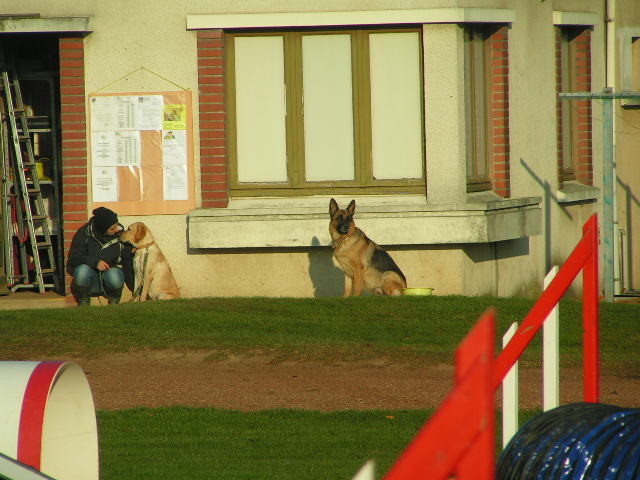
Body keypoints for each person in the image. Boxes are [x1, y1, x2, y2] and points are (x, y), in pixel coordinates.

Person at [66, 207, 134, 306]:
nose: (116, 230)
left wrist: (134, 289)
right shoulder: (84, 233)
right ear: (102, 228)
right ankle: (84, 300)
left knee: (114, 275)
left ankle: (114, 301)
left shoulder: (120, 236)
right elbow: (74, 257)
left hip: (111, 277)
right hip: (90, 278)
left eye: (117, 226)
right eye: (112, 228)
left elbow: (127, 264)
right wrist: (95, 262)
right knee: (81, 271)